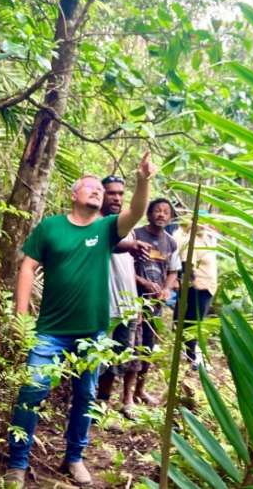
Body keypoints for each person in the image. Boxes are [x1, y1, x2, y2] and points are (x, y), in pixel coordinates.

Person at [5, 154, 156, 487]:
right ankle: (17, 463)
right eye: (89, 187)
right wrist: (21, 316)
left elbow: (135, 212)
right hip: (49, 332)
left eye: (99, 190)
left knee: (86, 396)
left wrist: (143, 179)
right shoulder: (51, 227)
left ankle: (74, 458)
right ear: (74, 195)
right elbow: (28, 266)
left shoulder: (106, 229)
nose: (97, 192)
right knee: (32, 392)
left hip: (92, 333)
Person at [95, 174, 150, 421]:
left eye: (120, 193)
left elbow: (128, 265)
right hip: (102, 306)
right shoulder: (95, 223)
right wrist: (129, 246)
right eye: (111, 192)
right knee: (98, 358)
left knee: (118, 359)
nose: (116, 197)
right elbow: (112, 243)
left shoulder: (127, 228)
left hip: (127, 305)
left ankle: (104, 403)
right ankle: (93, 405)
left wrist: (136, 302)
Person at [133, 198, 179, 405]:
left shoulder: (171, 242)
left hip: (156, 303)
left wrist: (167, 289)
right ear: (149, 214)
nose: (161, 215)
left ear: (170, 217)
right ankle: (122, 394)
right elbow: (123, 266)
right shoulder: (136, 235)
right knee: (131, 346)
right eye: (157, 211)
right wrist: (142, 282)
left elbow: (173, 271)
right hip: (132, 299)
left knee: (148, 347)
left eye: (165, 212)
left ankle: (140, 390)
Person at [173, 216, 218, 368]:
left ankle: (191, 354)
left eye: (204, 221)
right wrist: (193, 284)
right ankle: (191, 357)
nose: (202, 225)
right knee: (193, 323)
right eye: (198, 221)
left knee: (196, 322)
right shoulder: (190, 241)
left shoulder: (206, 239)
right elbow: (187, 265)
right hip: (197, 289)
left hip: (208, 288)